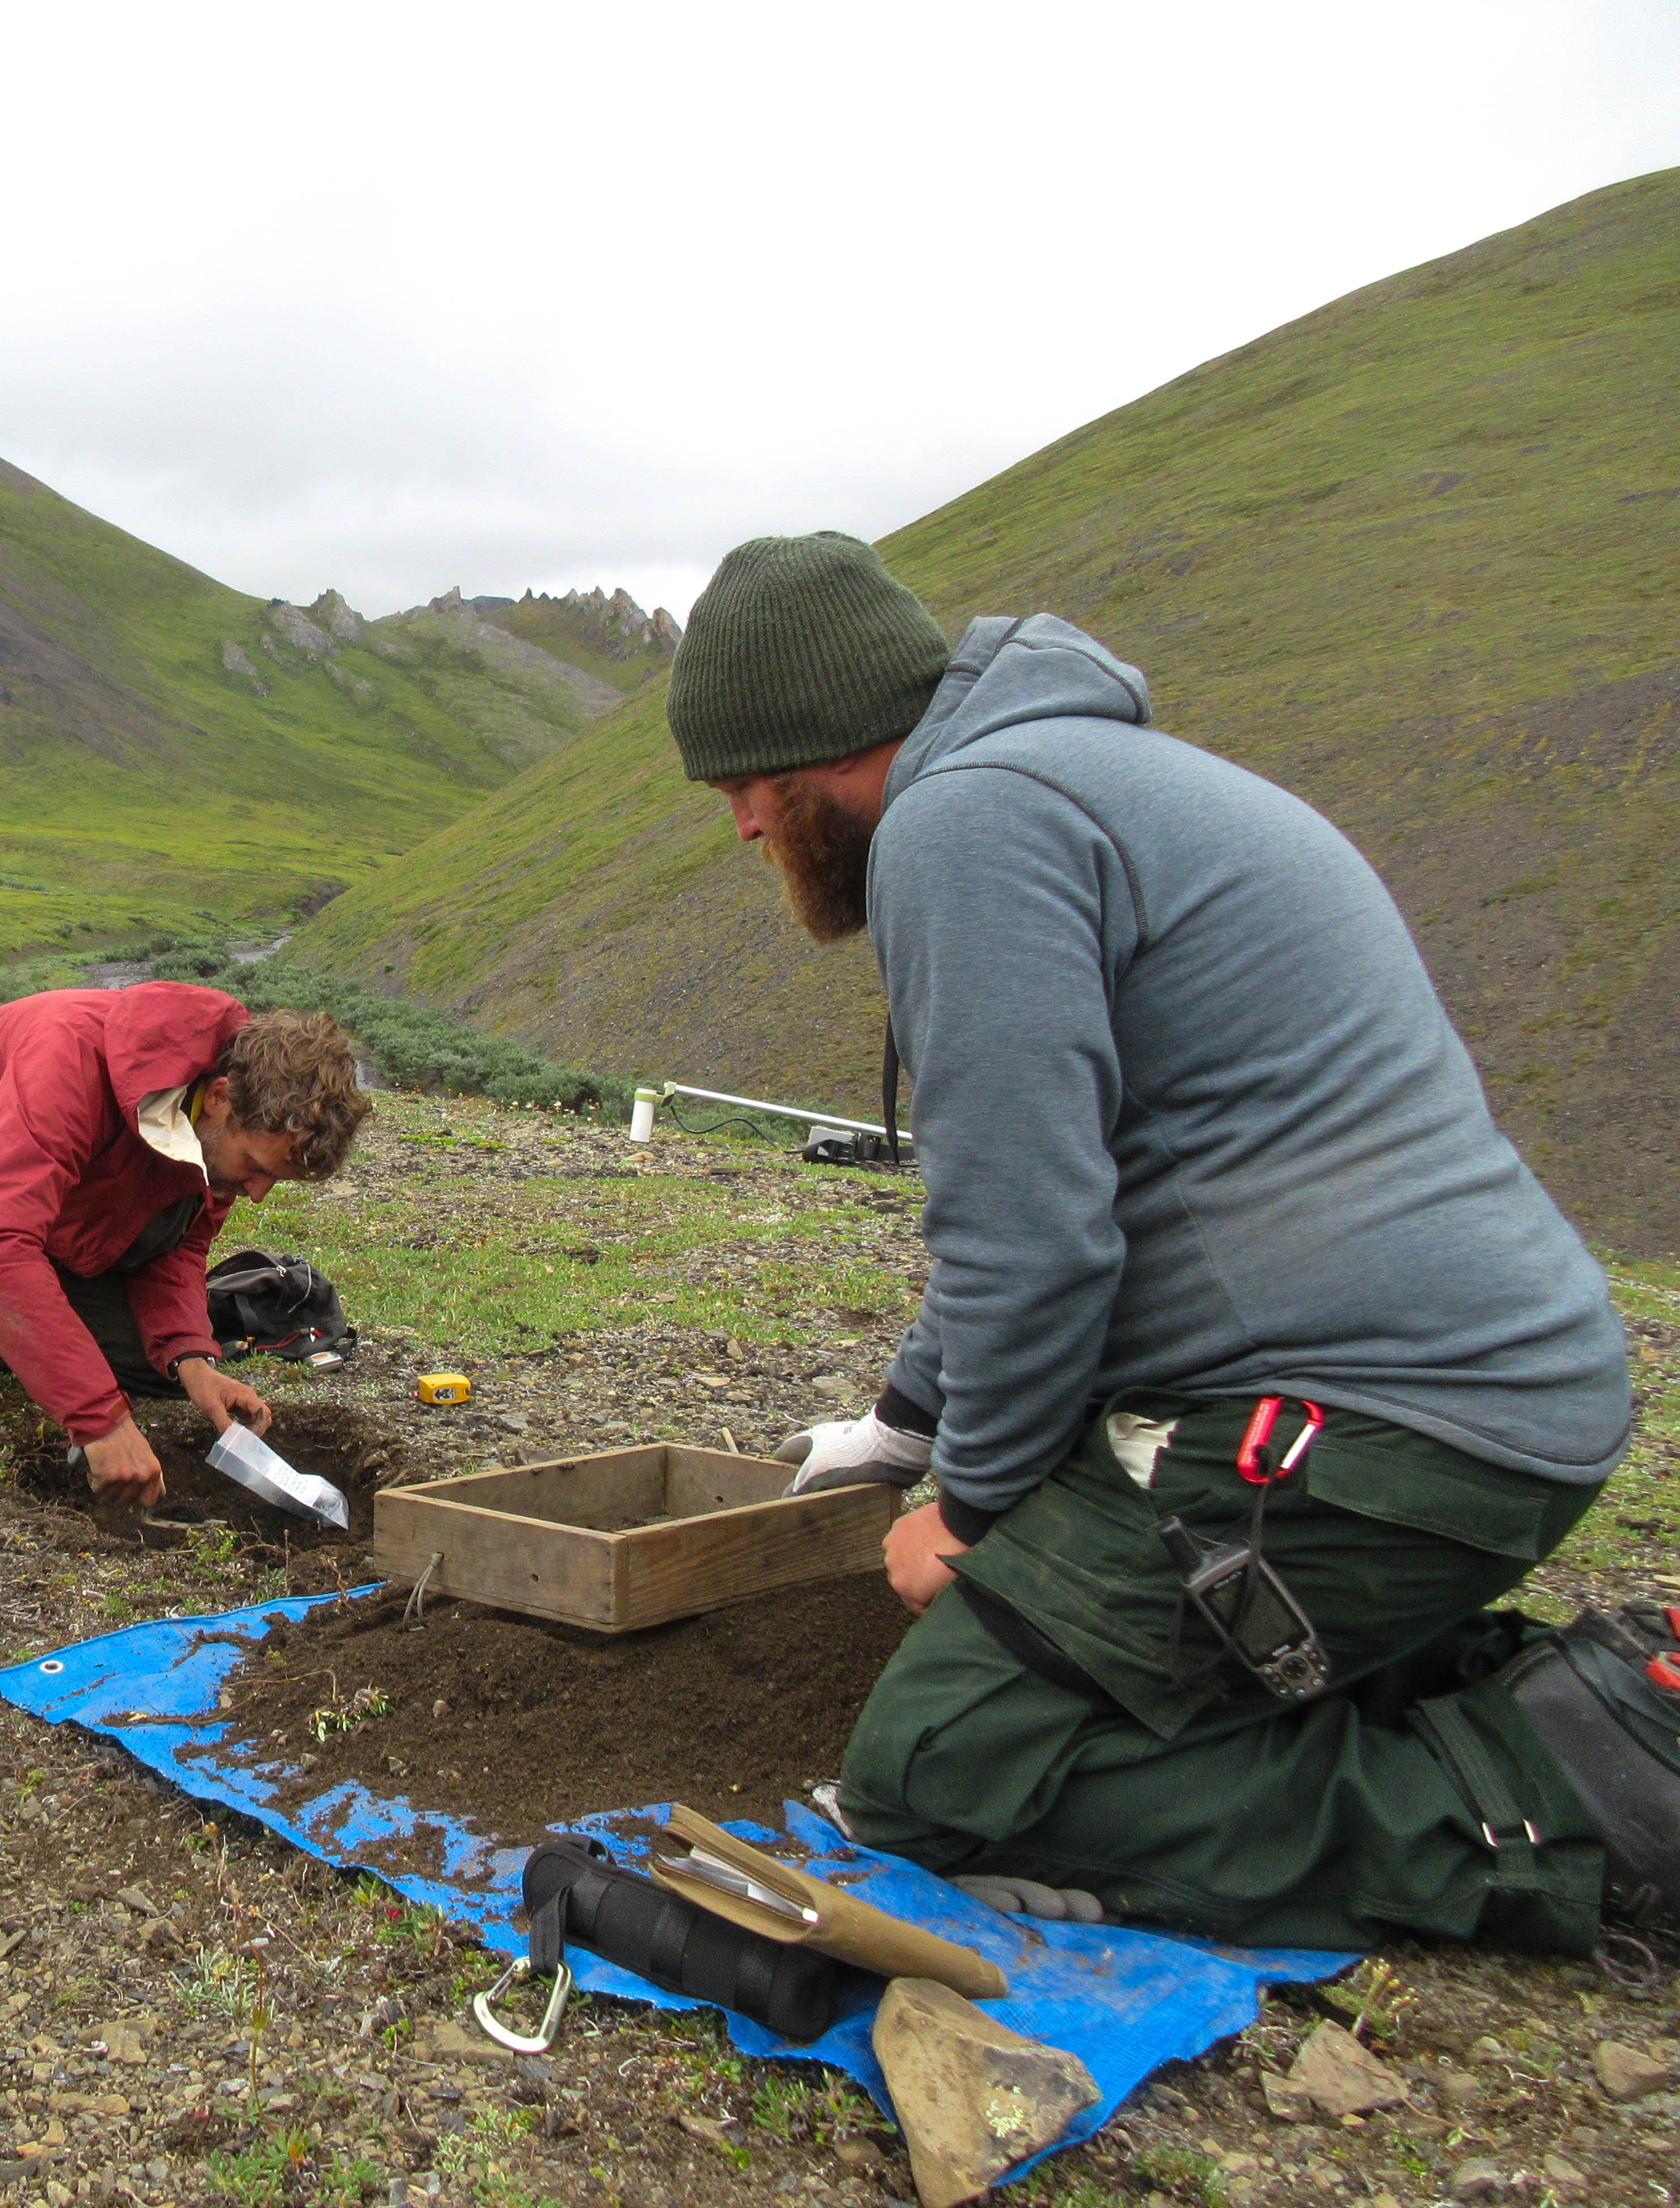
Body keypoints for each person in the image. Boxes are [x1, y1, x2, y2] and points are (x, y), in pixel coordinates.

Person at [672, 530, 1673, 1951]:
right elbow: (1040, 1182)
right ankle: (1559, 1702)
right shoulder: (1092, 779)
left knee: (938, 1766)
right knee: (1081, 1639)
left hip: (1375, 1430)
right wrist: (903, 1422)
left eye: (741, 791)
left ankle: (1564, 1801)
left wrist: (967, 1510)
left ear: (807, 755)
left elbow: (1034, 1238)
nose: (741, 831)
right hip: (1487, 1402)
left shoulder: (965, 828)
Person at [0, 985, 369, 1499]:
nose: (258, 1193)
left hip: (27, 1222)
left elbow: (175, 1245)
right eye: (256, 1166)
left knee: (156, 1372)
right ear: (221, 1097)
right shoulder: (69, 1055)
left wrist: (192, 1357)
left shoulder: (210, 1122)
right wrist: (100, 1422)